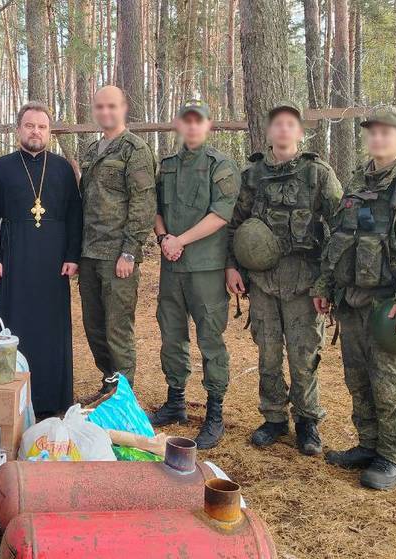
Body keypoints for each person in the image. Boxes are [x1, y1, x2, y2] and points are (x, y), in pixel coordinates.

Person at [313, 106, 396, 490]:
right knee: (359, 379)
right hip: (353, 301)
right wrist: (325, 287)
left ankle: (393, 455)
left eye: (386, 132)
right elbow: (339, 241)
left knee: (391, 382)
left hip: (390, 306)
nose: (378, 138)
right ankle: (369, 444)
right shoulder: (358, 181)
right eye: (372, 132)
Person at [225, 101, 343, 455]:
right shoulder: (252, 175)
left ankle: (307, 421)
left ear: (300, 132)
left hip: (304, 281)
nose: (283, 129)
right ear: (269, 132)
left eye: (290, 123)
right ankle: (274, 417)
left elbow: (340, 227)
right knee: (269, 352)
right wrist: (232, 266)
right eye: (277, 123)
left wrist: (327, 282)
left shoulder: (318, 174)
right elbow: (235, 223)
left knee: (305, 353)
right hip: (262, 281)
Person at [148, 100, 240, 449]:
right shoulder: (167, 166)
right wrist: (162, 239)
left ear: (208, 125)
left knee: (210, 340)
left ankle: (214, 413)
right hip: (172, 266)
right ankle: (176, 401)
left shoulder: (221, 165)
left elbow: (222, 213)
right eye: (186, 122)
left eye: (198, 122)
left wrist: (179, 240)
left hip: (205, 268)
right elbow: (154, 207)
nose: (191, 127)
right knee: (171, 335)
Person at [0, 102, 83, 416]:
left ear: (49, 132)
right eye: (29, 126)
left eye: (41, 126)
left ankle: (53, 400)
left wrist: (72, 254)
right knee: (16, 323)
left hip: (54, 260)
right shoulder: (2, 166)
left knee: (52, 330)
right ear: (18, 130)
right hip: (15, 256)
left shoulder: (63, 168)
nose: (35, 132)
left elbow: (74, 214)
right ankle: (15, 397)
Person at [77, 85, 157, 403]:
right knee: (94, 328)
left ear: (124, 108)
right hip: (89, 253)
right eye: (99, 107)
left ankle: (125, 401)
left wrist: (130, 251)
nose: (105, 112)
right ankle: (109, 384)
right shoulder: (91, 151)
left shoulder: (134, 150)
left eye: (112, 106)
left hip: (117, 256)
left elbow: (143, 203)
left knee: (117, 330)